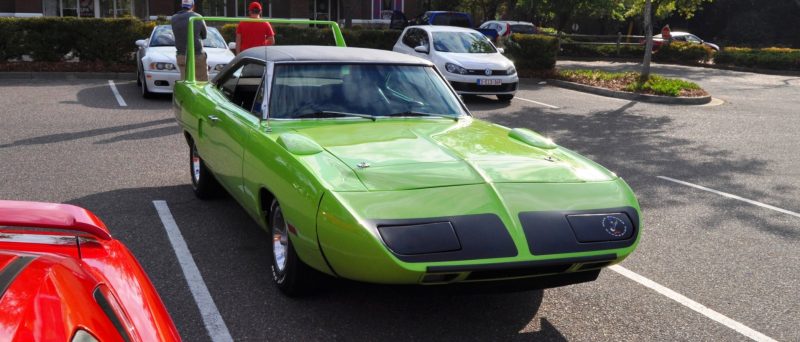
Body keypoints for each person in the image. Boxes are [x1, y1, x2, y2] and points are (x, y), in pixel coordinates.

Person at [171, 0, 208, 81]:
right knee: (201, 82)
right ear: (193, 6)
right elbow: (204, 35)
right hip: (197, 54)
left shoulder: (174, 18)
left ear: (182, 5)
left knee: (185, 81)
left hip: (182, 54)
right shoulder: (197, 17)